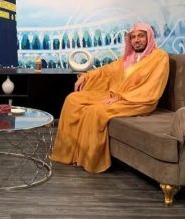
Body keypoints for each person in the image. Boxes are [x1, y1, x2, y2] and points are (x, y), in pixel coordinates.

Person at [52, 23, 170, 173]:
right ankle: (69, 152)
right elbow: (107, 71)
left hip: (139, 100)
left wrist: (120, 97)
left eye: (141, 36)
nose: (136, 40)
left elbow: (153, 86)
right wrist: (87, 76)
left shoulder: (160, 57)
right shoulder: (130, 58)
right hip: (117, 95)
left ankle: (90, 159)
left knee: (95, 111)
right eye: (133, 37)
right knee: (73, 99)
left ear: (149, 37)